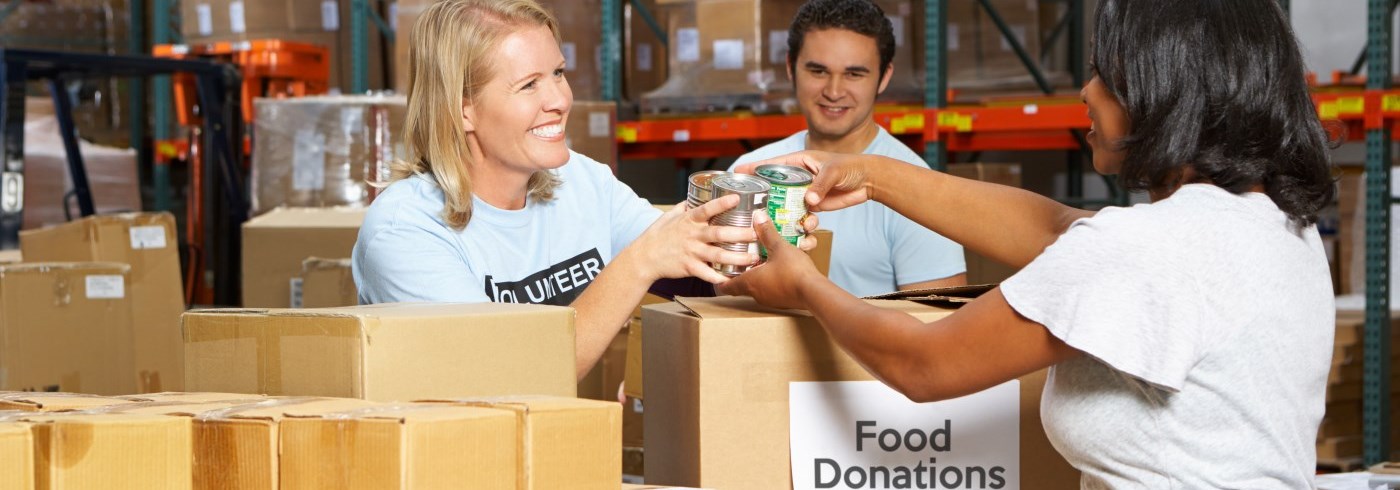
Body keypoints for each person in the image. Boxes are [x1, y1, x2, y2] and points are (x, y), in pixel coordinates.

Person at [725, 0, 1335, 486]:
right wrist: (872, 174)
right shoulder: (1275, 225)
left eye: (1104, 70)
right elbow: (1053, 231)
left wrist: (803, 285)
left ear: (1164, 87)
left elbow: (923, 364)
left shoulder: (1147, 247)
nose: (1085, 91)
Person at [351, 0, 813, 379]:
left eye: (558, 72)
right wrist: (640, 262)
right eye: (529, 84)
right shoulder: (405, 231)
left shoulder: (582, 181)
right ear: (462, 109)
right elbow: (507, 380)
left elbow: (703, 277)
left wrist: (762, 229)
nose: (560, 99)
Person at [730, 0, 966, 297]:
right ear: (791, 68)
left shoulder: (916, 187)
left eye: (854, 74)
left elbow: (939, 325)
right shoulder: (749, 171)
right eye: (818, 71)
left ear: (884, 77)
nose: (834, 91)